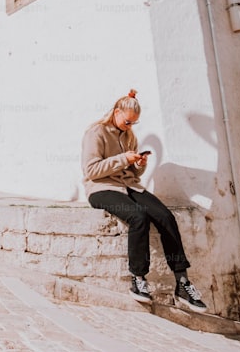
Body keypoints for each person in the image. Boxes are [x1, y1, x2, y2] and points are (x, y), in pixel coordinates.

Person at [82, 89, 207, 312]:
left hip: (130, 186)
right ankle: (138, 279)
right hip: (102, 188)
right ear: (117, 112)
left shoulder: (129, 137)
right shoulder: (96, 133)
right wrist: (123, 159)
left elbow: (134, 175)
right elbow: (91, 171)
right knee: (138, 216)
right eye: (128, 121)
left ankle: (182, 282)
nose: (130, 126)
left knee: (165, 217)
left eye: (134, 123)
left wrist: (139, 165)